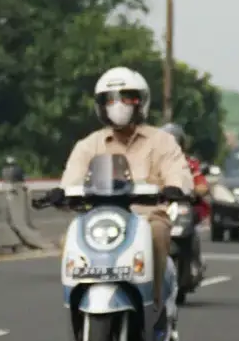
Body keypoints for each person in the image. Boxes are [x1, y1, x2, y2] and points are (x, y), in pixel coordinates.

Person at [47, 66, 193, 315]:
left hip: (146, 217)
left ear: (141, 102)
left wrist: (175, 188)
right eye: (110, 100)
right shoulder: (89, 145)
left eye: (126, 99)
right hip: (99, 221)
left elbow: (178, 172)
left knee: (158, 234)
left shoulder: (162, 141)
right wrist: (61, 193)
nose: (118, 105)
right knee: (68, 239)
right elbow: (72, 179)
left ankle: (155, 305)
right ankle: (76, 305)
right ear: (100, 106)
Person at [160, 122, 211, 221]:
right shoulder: (152, 164)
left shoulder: (190, 164)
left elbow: (201, 185)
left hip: (185, 208)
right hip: (158, 207)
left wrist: (195, 190)